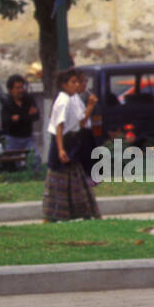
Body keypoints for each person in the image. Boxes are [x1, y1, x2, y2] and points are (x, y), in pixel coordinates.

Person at [43, 68, 101, 222]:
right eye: (73, 82)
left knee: (76, 180)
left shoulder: (72, 98)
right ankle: (51, 216)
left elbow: (81, 122)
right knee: (58, 181)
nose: (76, 85)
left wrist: (90, 106)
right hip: (63, 143)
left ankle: (86, 212)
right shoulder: (62, 101)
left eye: (78, 82)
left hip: (73, 142)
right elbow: (59, 126)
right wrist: (61, 149)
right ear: (64, 85)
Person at [0, 75, 40, 164]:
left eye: (22, 87)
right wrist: (26, 116)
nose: (21, 90)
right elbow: (6, 122)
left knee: (35, 158)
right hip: (13, 138)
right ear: (10, 90)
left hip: (28, 137)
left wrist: (19, 117)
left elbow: (36, 116)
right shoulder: (7, 103)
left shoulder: (29, 99)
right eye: (17, 88)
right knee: (11, 163)